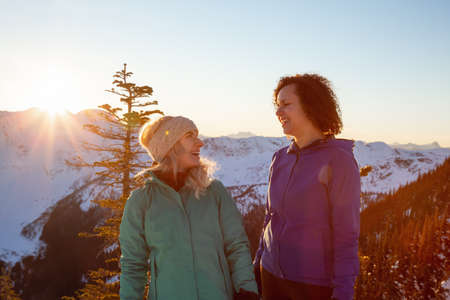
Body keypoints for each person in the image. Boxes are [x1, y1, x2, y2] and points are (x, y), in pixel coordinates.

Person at [119, 116, 258, 300]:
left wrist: (247, 290)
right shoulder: (141, 201)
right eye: (190, 136)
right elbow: (133, 265)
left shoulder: (214, 192)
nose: (200, 143)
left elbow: (236, 246)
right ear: (171, 145)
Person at [253, 74, 361, 300]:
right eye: (277, 105)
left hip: (311, 285)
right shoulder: (280, 158)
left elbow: (346, 235)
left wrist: (343, 293)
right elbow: (270, 218)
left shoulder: (339, 161)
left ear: (310, 107)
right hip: (270, 276)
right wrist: (257, 264)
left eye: (286, 104)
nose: (278, 112)